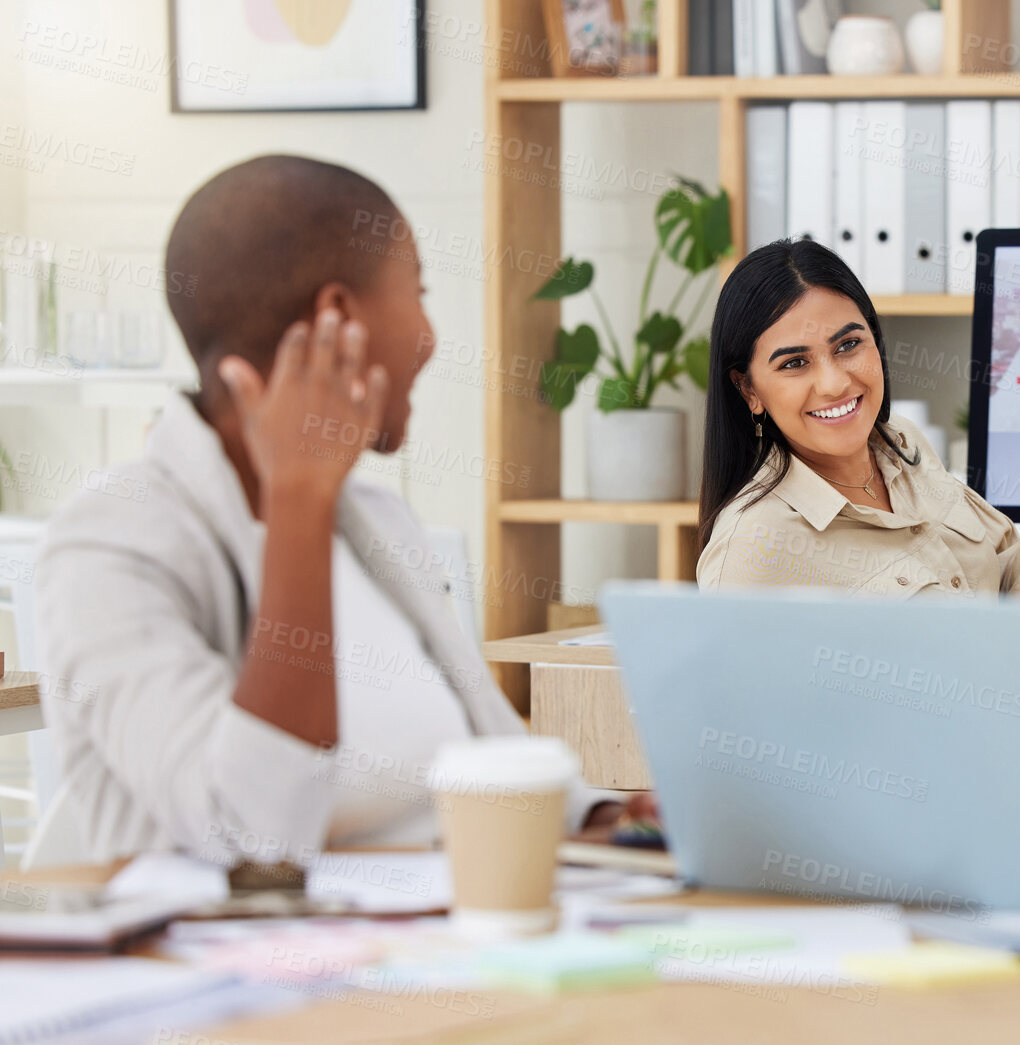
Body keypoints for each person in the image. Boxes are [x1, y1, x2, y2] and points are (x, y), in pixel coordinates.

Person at [35, 155, 638, 866]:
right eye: (418, 291)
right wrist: (298, 500)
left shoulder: (376, 522)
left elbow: (490, 754)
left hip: (447, 945)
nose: (431, 335)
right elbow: (254, 837)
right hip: (253, 967)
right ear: (337, 320)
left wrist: (609, 815)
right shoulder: (109, 547)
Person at [697, 239, 1020, 671]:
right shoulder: (754, 546)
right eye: (794, 364)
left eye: (848, 345)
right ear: (748, 390)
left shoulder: (902, 446)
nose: (835, 382)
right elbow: (750, 750)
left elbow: (1000, 622)